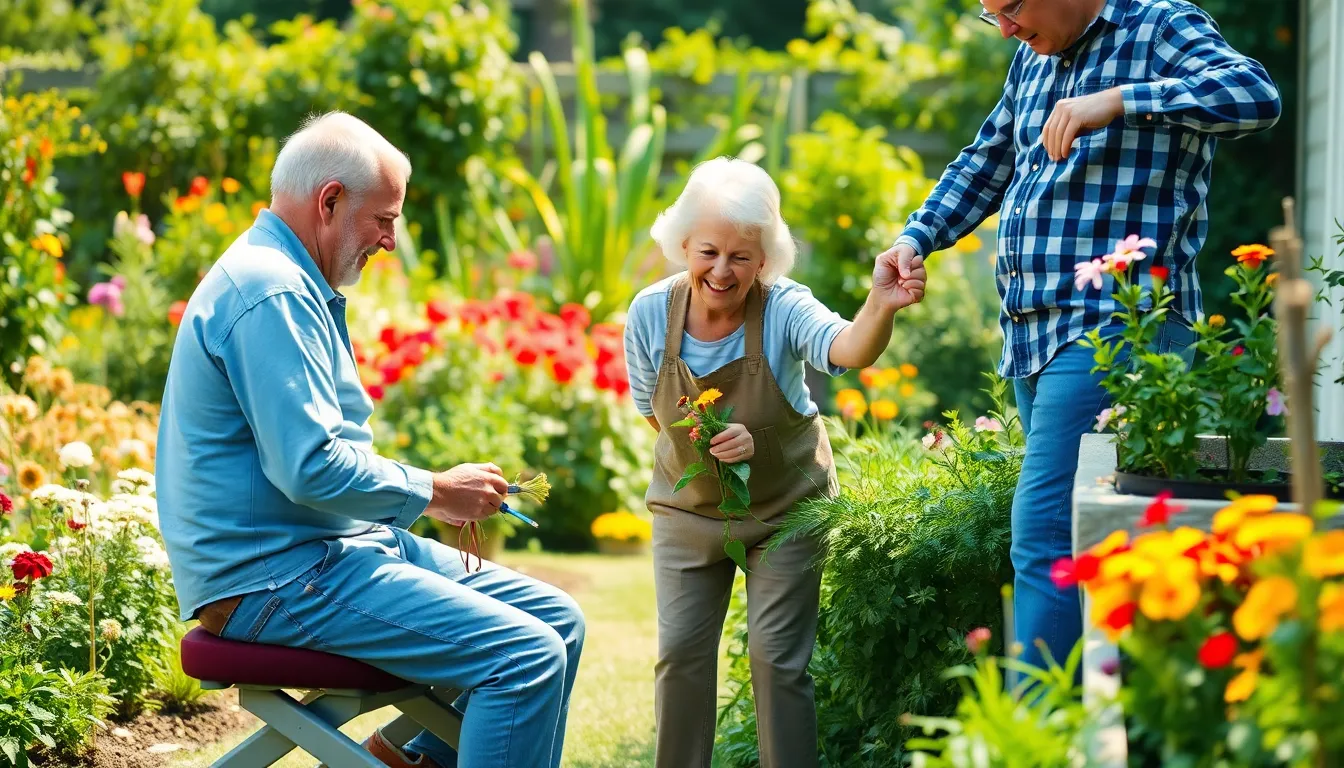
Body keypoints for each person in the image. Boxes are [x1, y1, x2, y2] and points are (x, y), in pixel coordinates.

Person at [155, 112, 584, 768]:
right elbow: (310, 469)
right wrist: (436, 491)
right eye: (384, 219)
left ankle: (401, 757)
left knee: (560, 624)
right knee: (524, 656)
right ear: (329, 201)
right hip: (274, 578)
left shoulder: (292, 279)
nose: (389, 241)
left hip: (327, 552)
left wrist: (427, 493)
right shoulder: (271, 291)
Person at [875, 0, 1281, 673]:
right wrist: (916, 236)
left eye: (1010, 8)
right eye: (988, 13)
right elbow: (989, 160)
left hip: (1116, 332)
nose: (1003, 28)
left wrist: (1120, 101)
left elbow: (1253, 95)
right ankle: (1105, 713)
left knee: (1046, 538)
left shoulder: (1159, 26)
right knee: (1091, 543)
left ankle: (1039, 737)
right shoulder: (1031, 56)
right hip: (1033, 339)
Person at [623, 156, 927, 768]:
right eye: (708, 251)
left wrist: (882, 306)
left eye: (741, 255)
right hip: (688, 511)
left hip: (787, 510)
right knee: (680, 653)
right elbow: (653, 414)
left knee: (775, 655)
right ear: (683, 244)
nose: (722, 270)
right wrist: (707, 443)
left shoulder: (785, 306)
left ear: (765, 258)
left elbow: (846, 349)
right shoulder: (650, 313)